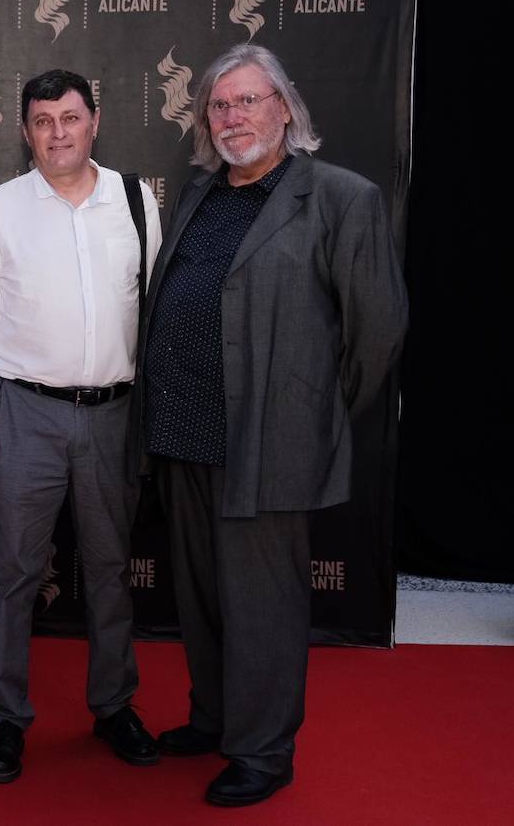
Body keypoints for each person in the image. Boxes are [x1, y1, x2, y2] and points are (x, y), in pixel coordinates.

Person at [140, 43, 406, 807]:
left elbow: (379, 329)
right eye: (220, 106)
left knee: (262, 603)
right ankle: (216, 717)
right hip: (182, 430)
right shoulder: (198, 194)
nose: (233, 118)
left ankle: (262, 750)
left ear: (285, 108)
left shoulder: (339, 198)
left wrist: (309, 408)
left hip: (268, 440)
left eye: (249, 101)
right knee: (198, 595)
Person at [0, 69, 163, 783]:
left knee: (108, 570)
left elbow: (159, 312)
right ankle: (6, 719)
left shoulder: (137, 201)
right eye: (43, 121)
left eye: (70, 117)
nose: (58, 133)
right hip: (25, 411)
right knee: (11, 572)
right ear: (25, 131)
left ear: (94, 120)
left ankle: (113, 705)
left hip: (114, 415)